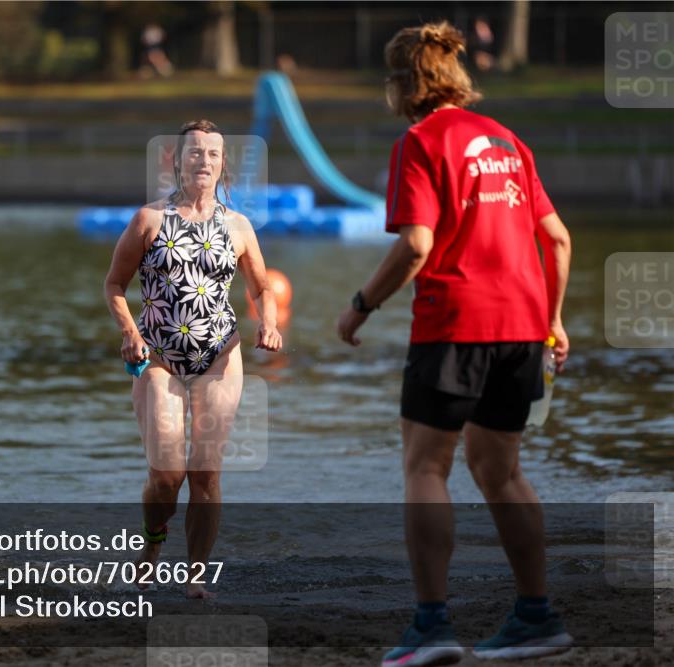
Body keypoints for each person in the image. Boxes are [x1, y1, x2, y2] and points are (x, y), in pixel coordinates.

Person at [334, 22, 573, 666]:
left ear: (403, 84)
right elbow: (556, 239)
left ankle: (432, 626)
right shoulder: (506, 140)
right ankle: (536, 617)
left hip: (454, 326)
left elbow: (416, 243)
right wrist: (552, 318)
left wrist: (360, 306)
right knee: (503, 472)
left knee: (425, 468)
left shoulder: (420, 140)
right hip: (524, 327)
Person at [104, 119, 282, 598]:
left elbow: (262, 287)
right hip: (158, 356)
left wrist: (268, 321)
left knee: (206, 473)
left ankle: (196, 573)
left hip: (221, 355)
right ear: (176, 160)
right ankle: (152, 547)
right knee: (167, 474)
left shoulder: (239, 226)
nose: (204, 160)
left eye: (213, 153)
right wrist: (128, 331)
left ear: (223, 165)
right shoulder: (149, 220)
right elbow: (114, 285)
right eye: (195, 152)